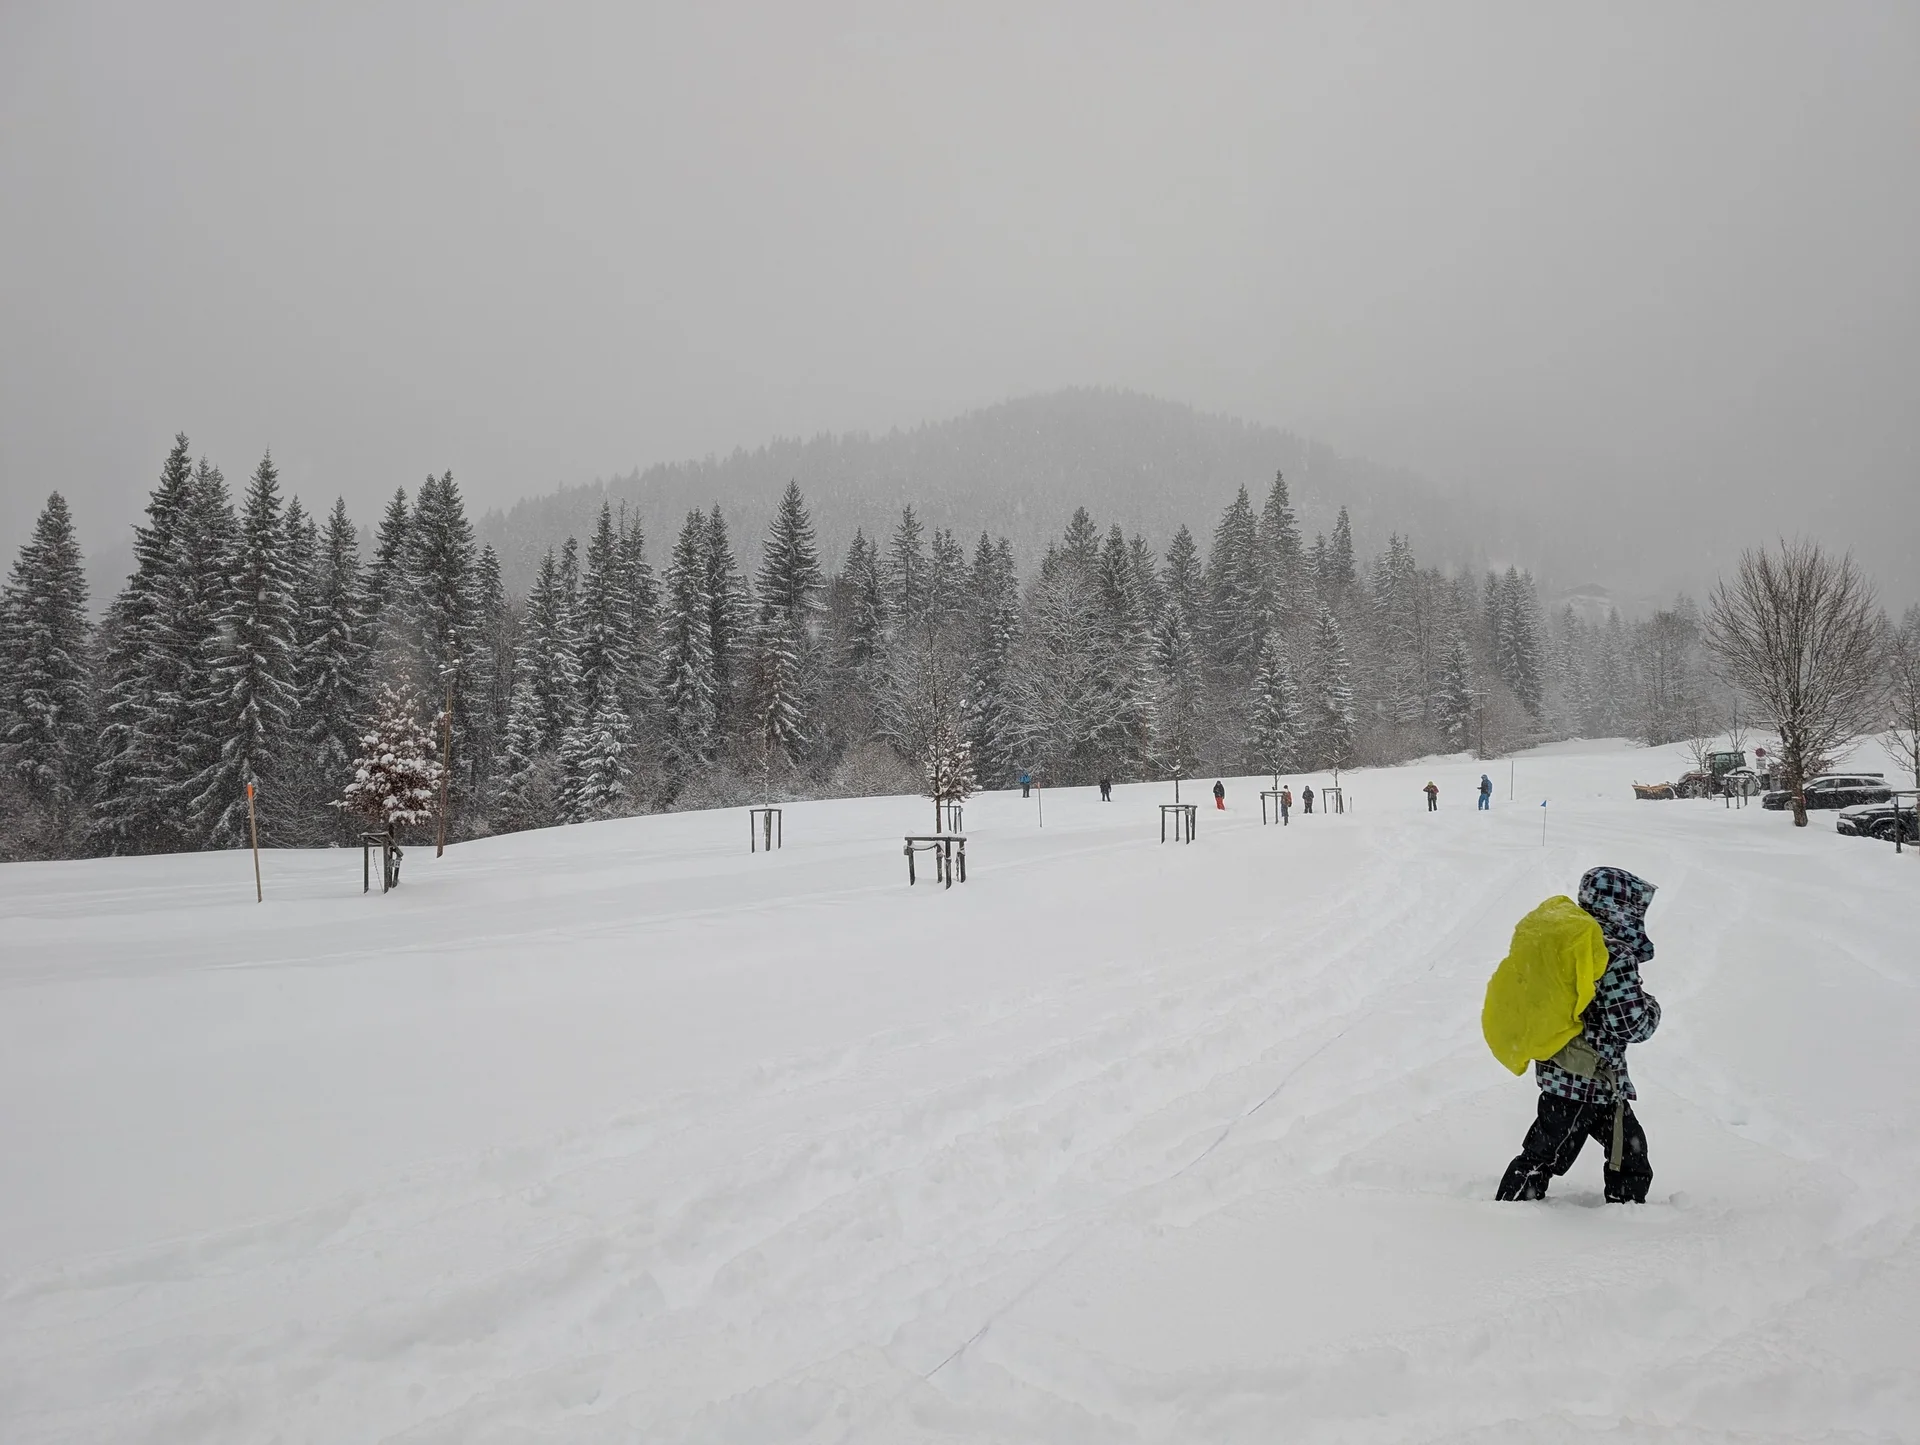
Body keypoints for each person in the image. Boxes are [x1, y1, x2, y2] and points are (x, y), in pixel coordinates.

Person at [1497, 867, 1661, 1204]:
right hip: (1582, 1080)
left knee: (1629, 1151)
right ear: (1621, 909)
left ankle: (1628, 1212)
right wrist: (1652, 1007)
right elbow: (1631, 1024)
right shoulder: (1612, 954)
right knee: (1546, 1153)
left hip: (1577, 1072)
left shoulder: (1570, 940)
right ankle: (1509, 1210)